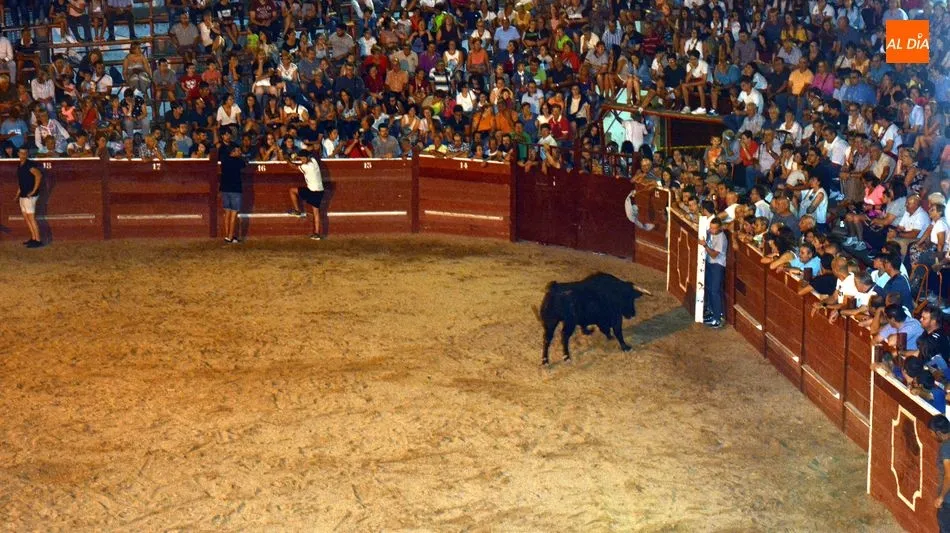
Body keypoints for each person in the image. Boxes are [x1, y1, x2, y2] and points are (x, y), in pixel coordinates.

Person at [287, 150, 326, 240]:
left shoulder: (306, 167)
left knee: (292, 191)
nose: (301, 160)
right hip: (320, 190)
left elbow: (293, 166)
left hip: (312, 191)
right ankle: (316, 234)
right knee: (316, 212)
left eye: (302, 159)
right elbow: (306, 157)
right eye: (301, 159)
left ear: (306, 158)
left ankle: (297, 211)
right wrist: (296, 156)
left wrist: (287, 159)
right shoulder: (314, 161)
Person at [14, 147, 43, 248]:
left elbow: (39, 176)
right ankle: (33, 238)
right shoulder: (20, 166)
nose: (23, 155)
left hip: (30, 196)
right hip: (23, 195)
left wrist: (33, 191)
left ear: (27, 154)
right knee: (27, 218)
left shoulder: (29, 165)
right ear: (18, 154)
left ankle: (38, 240)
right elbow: (21, 182)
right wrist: (17, 195)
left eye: (25, 153)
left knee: (31, 218)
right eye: (21, 153)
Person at [702, 217, 727, 328]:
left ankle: (718, 318)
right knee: (709, 289)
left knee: (714, 291)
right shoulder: (711, 233)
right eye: (711, 228)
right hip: (710, 264)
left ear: (719, 228)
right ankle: (712, 313)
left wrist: (705, 245)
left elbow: (714, 254)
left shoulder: (721, 238)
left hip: (717, 265)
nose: (711, 230)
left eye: (714, 228)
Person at [218, 145, 246, 244]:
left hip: (225, 189)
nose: (239, 152)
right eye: (237, 150)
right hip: (235, 190)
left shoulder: (224, 160)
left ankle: (227, 235)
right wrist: (241, 156)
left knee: (227, 214)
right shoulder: (239, 161)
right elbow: (245, 164)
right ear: (233, 152)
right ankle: (230, 236)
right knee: (233, 214)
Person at [929, 414, 950, 532]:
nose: (931, 435)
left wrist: (941, 497)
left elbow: (949, 475)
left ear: (939, 433)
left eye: (932, 433)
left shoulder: (946, 448)